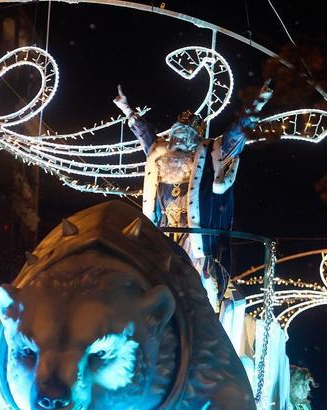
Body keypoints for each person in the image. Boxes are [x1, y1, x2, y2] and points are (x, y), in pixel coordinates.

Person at [113, 81, 274, 309]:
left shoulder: (210, 156)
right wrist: (127, 109)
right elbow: (146, 134)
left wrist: (257, 103)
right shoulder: (160, 155)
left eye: (183, 136)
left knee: (194, 291)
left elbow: (237, 135)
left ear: (194, 140)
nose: (176, 141)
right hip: (163, 235)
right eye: (175, 135)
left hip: (196, 241)